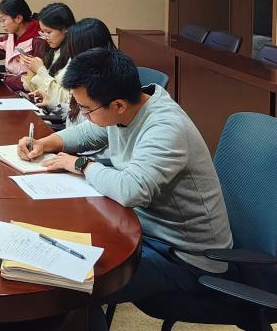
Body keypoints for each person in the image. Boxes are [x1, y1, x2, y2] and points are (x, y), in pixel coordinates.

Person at [16, 48, 233, 330]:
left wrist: (81, 164)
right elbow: (88, 133)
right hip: (144, 229)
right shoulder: (127, 108)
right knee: (56, 255)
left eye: (86, 110)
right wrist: (45, 144)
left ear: (118, 105)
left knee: (73, 284)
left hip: (184, 256)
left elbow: (132, 189)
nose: (84, 116)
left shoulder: (165, 128)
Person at [30, 17, 116, 125]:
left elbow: (88, 127)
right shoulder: (89, 70)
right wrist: (52, 104)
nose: (71, 53)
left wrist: (58, 135)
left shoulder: (102, 80)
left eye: (73, 47)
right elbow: (77, 114)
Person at [19, 2, 75, 97]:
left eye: (48, 32)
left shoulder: (75, 54)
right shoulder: (52, 50)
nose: (45, 37)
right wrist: (32, 69)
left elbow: (68, 99)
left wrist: (40, 70)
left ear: (66, 28)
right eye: (42, 32)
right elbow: (39, 89)